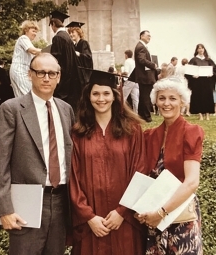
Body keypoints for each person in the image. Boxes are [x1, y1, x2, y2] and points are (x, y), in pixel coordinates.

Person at [0, 53, 75, 255]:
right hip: (27, 202)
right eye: (40, 72)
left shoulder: (66, 109)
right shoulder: (12, 109)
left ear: (58, 77)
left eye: (51, 73)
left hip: (61, 201)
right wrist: (4, 210)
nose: (46, 78)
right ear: (30, 74)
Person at [70, 69, 147, 255]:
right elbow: (74, 177)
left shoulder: (132, 130)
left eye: (106, 93)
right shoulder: (78, 133)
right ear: (88, 96)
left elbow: (140, 171)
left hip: (124, 221)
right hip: (91, 224)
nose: (101, 99)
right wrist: (89, 217)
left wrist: (122, 212)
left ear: (115, 96)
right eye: (95, 93)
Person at [136, 77, 204, 254]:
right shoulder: (149, 136)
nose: (166, 103)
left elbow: (191, 182)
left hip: (180, 218)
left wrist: (161, 212)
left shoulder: (190, 133)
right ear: (155, 101)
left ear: (182, 101)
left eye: (172, 98)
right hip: (154, 218)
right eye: (162, 98)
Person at [49, 10, 84, 112]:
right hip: (70, 79)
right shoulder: (67, 38)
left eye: (51, 25)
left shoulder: (58, 38)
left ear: (53, 24)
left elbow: (55, 60)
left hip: (62, 80)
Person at [128, 30, 157, 122]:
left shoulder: (141, 46)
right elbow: (141, 60)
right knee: (146, 97)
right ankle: (146, 117)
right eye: (148, 35)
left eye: (150, 36)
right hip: (145, 76)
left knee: (144, 97)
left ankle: (142, 116)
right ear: (141, 36)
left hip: (144, 76)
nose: (149, 37)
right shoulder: (141, 47)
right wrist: (153, 65)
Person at [185, 43, 216, 121]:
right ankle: (200, 115)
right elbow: (187, 72)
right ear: (197, 50)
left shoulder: (208, 59)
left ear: (204, 49)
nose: (201, 49)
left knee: (207, 98)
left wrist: (212, 74)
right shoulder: (194, 59)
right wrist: (192, 75)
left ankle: (207, 114)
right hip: (197, 82)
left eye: (202, 48)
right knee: (198, 98)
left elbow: (215, 69)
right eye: (199, 48)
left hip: (207, 82)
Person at [9, 20, 41, 97]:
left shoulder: (27, 41)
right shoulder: (23, 38)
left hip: (22, 70)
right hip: (20, 70)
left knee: (21, 96)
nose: (35, 34)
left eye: (36, 32)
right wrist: (44, 51)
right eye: (33, 31)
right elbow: (33, 51)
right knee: (28, 95)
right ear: (26, 30)